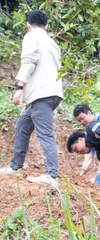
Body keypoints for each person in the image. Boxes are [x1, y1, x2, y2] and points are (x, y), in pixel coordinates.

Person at [0, 10, 63, 188]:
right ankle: (15, 166)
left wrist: (19, 87)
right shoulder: (53, 43)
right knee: (22, 125)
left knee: (45, 133)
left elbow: (29, 60)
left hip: (42, 93)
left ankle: (51, 175)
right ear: (47, 26)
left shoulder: (31, 36)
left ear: (28, 24)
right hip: (51, 93)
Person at [72, 104, 100, 184]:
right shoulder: (88, 130)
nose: (82, 122)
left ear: (89, 113)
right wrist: (85, 164)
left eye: (82, 118)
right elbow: (90, 148)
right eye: (79, 121)